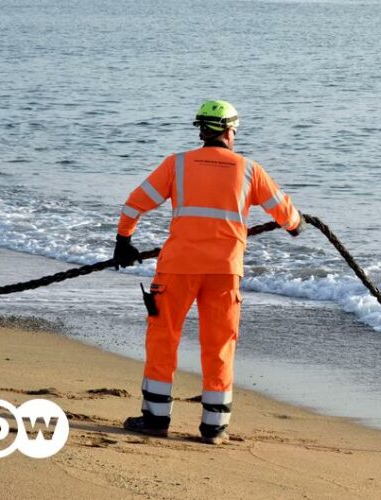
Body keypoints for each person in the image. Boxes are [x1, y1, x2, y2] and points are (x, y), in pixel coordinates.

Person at [112, 100, 304, 445]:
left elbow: (135, 203)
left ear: (201, 130)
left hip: (177, 269)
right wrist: (297, 225)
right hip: (224, 272)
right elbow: (287, 217)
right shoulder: (249, 170)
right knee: (218, 346)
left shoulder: (178, 165)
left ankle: (155, 419)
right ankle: (214, 427)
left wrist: (123, 239)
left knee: (163, 338)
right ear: (231, 131)